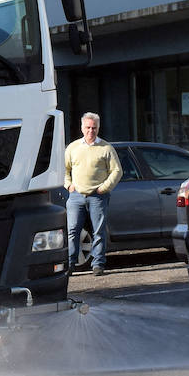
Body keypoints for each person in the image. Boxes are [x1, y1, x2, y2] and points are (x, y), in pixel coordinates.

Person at [64, 112, 123, 276]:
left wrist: (104, 188)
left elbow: (117, 171)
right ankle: (70, 264)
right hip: (76, 196)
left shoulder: (106, 148)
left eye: (94, 128)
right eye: (88, 127)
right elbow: (65, 169)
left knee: (98, 231)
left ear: (98, 128)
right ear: (82, 128)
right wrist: (68, 185)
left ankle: (98, 264)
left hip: (98, 196)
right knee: (72, 231)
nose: (91, 131)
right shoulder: (73, 147)